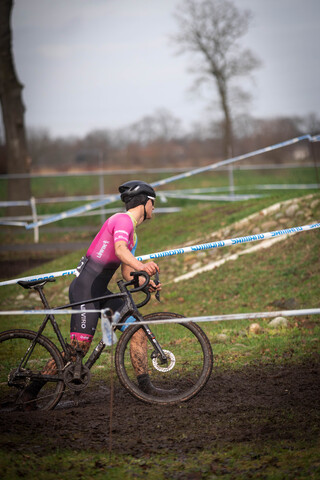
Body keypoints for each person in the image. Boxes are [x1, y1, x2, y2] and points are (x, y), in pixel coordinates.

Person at [21, 180, 164, 408]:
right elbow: (119, 250)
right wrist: (142, 265)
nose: (154, 208)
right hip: (85, 290)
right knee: (78, 349)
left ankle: (146, 387)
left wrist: (144, 282)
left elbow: (127, 272)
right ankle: (31, 391)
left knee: (136, 330)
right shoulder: (121, 221)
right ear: (145, 202)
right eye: (153, 203)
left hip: (99, 291)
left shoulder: (132, 236)